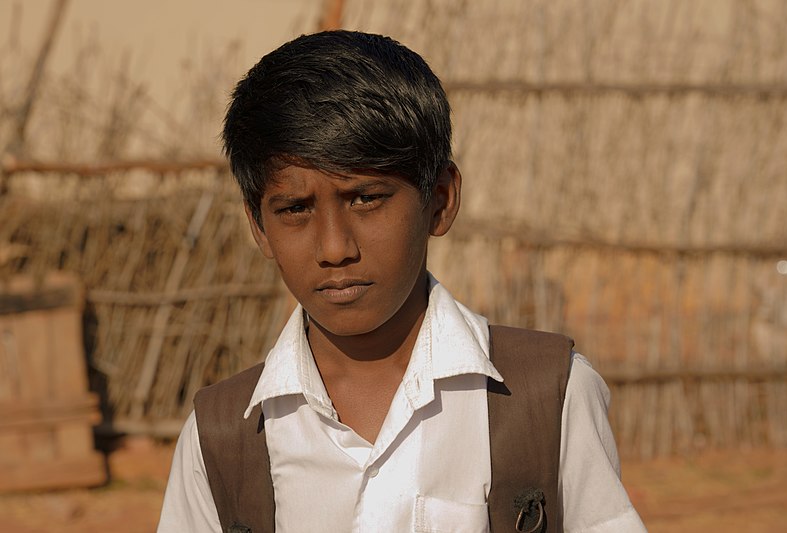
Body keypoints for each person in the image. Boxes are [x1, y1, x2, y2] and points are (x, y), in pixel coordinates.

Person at [158, 30, 646, 532]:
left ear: (439, 200)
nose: (334, 248)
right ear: (259, 226)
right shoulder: (221, 439)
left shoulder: (547, 397)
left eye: (366, 198)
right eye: (295, 209)